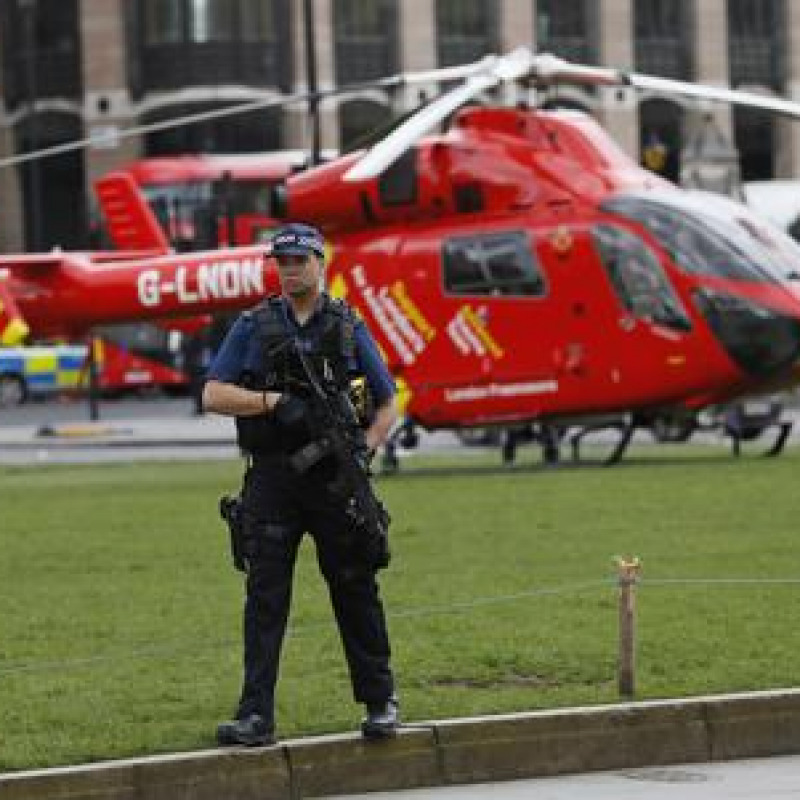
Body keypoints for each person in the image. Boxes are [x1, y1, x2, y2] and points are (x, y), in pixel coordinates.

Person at [203, 222, 400, 747]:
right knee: (265, 597)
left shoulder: (347, 325)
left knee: (356, 586)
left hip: (336, 480)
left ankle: (381, 702)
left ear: (320, 262)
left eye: (299, 260)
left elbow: (387, 401)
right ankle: (255, 716)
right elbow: (214, 395)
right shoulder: (253, 324)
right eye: (281, 262)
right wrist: (270, 403)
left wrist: (365, 450)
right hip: (272, 479)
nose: (289, 269)